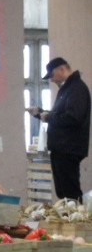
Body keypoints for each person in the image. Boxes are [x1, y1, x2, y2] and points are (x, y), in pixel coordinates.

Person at [26, 57, 91, 201]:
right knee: (63, 192)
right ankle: (69, 218)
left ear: (62, 69)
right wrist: (40, 113)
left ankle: (75, 221)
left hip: (68, 148)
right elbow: (61, 115)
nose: (52, 80)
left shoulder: (77, 89)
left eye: (52, 75)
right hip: (61, 149)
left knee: (70, 192)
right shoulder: (67, 89)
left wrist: (48, 118)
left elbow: (74, 117)